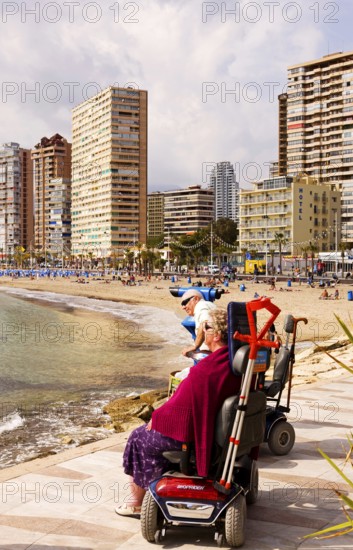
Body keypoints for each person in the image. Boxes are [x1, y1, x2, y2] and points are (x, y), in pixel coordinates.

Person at [115, 309, 242, 517]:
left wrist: (156, 418)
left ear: (217, 335)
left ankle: (137, 502)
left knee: (138, 437)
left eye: (205, 328)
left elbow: (182, 408)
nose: (202, 331)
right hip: (219, 436)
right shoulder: (231, 362)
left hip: (194, 441)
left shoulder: (207, 369)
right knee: (151, 432)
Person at [180, 289, 217, 356]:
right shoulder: (207, 306)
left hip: (214, 355)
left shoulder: (201, 306)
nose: (183, 307)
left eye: (185, 303)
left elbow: (205, 323)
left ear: (196, 299)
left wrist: (195, 346)